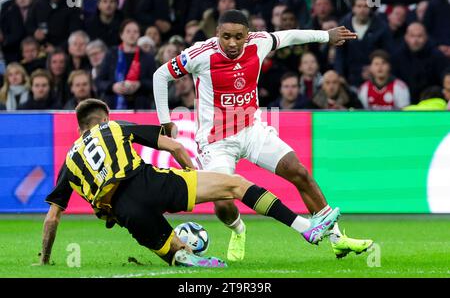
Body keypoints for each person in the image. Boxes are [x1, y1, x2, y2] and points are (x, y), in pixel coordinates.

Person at [153, 9, 373, 262]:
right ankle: (238, 229)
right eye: (226, 37)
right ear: (217, 34)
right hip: (216, 140)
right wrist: (166, 122)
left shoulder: (259, 42)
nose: (233, 43)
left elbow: (288, 37)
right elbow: (160, 75)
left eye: (239, 37)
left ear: (248, 35)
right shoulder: (199, 54)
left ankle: (336, 239)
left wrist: (326, 36)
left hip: (252, 129)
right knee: (223, 200)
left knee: (297, 170)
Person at [37, 98, 341, 267]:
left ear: (79, 128)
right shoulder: (114, 126)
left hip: (126, 213)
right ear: (104, 118)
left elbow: (52, 219)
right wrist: (190, 177)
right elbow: (175, 147)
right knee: (234, 184)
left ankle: (182, 255)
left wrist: (45, 260)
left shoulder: (69, 163)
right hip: (150, 183)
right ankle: (305, 228)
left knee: (179, 253)